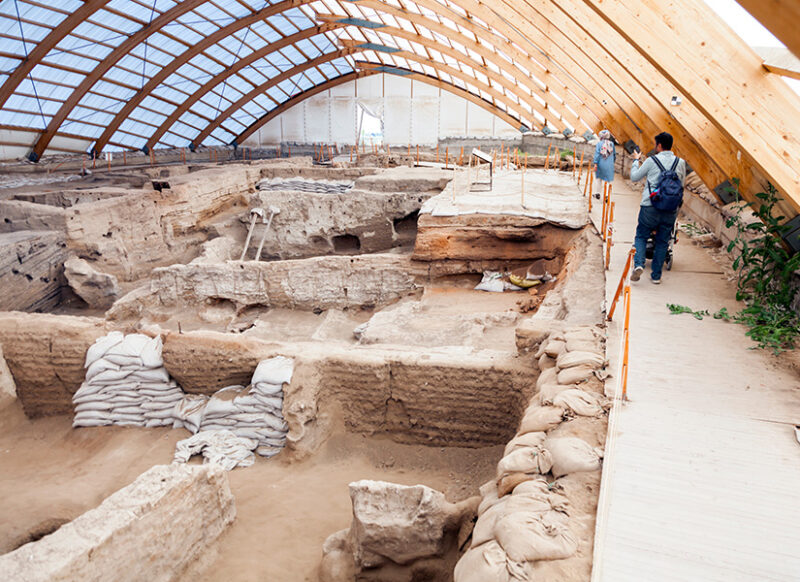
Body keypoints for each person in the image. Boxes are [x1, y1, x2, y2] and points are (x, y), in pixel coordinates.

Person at [629, 132, 687, 284]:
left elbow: (634, 177)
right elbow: (682, 185)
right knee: (663, 241)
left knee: (641, 235)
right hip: (670, 208)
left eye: (656, 144)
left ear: (659, 145)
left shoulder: (651, 160)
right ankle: (656, 276)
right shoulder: (680, 162)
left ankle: (639, 264)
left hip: (650, 204)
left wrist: (636, 161)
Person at [592, 129, 616, 196]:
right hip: (609, 165)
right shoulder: (612, 144)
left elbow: (597, 154)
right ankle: (607, 196)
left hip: (601, 164)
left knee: (599, 179)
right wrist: (612, 162)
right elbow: (614, 155)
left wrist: (595, 163)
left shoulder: (599, 144)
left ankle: (598, 193)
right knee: (608, 180)